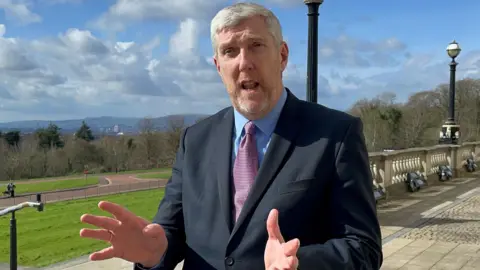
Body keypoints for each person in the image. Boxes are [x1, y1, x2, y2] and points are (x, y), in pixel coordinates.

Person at [79, 2, 383, 270]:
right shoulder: (194, 140)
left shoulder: (336, 134)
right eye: (229, 51)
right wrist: (152, 253)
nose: (243, 62)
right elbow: (170, 231)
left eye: (256, 46)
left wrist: (300, 261)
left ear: (282, 55)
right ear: (217, 66)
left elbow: (364, 248)